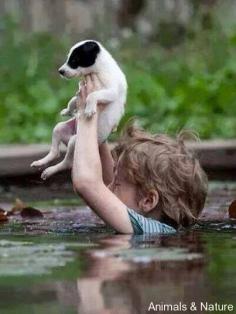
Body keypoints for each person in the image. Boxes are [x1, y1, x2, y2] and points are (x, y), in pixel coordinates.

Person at [72, 74, 208, 234]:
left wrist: (86, 114)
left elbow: (87, 184)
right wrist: (101, 131)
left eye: (116, 185)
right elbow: (109, 184)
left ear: (148, 200)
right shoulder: (156, 227)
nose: (108, 186)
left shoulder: (146, 229)